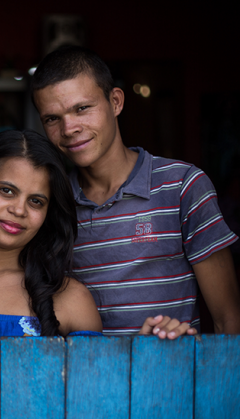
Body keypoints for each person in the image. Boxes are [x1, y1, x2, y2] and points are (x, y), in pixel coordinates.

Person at [0, 130, 192, 353]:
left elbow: (96, 397)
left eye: (36, 201)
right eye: (6, 190)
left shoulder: (71, 298)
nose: (18, 210)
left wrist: (148, 352)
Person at [31, 46, 240, 336]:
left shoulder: (183, 186)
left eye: (82, 109)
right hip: (86, 376)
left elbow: (228, 321)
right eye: (52, 118)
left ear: (115, 101)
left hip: (170, 373)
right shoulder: (50, 201)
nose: (69, 128)